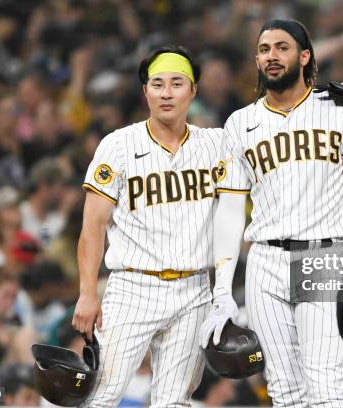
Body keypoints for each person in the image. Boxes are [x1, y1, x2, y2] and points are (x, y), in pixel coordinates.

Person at [200, 19, 343, 407]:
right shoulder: (240, 123)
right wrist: (222, 289)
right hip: (264, 259)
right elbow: (230, 210)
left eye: (282, 47)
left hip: (324, 255)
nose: (272, 56)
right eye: (264, 49)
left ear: (305, 55)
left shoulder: (342, 110)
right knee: (284, 391)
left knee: (326, 388)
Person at [71, 45, 221, 407]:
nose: (166, 93)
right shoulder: (118, 145)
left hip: (195, 288)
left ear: (193, 90)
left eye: (176, 83)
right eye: (157, 84)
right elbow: (92, 226)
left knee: (174, 402)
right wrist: (88, 293)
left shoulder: (217, 143)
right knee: (100, 395)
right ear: (145, 92)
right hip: (133, 286)